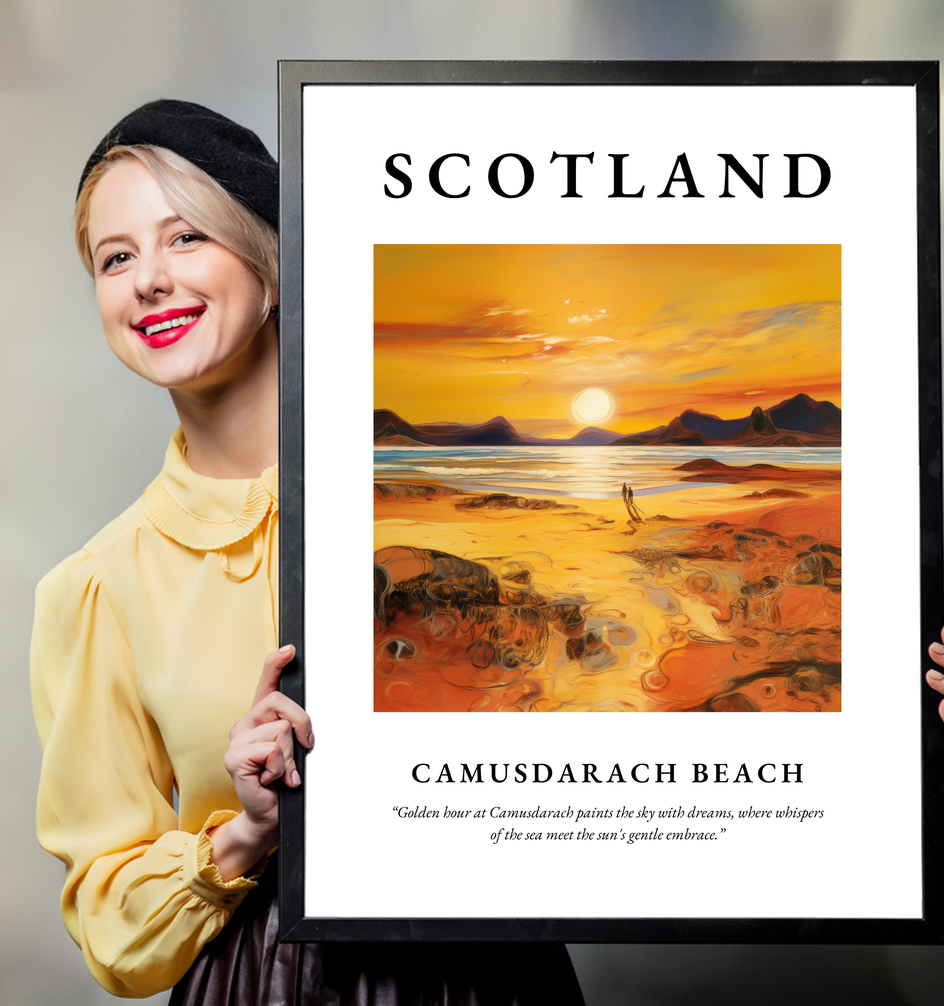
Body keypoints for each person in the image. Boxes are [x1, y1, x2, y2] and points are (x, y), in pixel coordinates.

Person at [30, 100, 585, 1004]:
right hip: (263, 981)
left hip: (493, 973)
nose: (148, 281)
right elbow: (110, 923)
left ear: (274, 264)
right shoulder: (97, 587)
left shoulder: (437, 505)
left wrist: (887, 707)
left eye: (186, 239)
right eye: (116, 257)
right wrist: (245, 832)